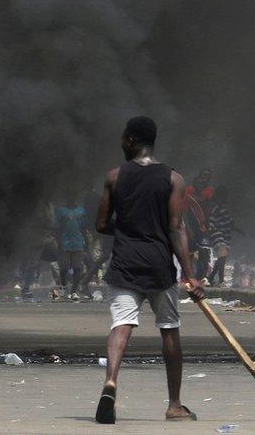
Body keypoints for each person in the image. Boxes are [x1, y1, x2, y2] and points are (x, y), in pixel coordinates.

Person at [93, 116, 204, 424]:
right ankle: (175, 405)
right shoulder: (173, 179)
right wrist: (190, 274)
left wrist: (128, 227)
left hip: (125, 263)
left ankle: (111, 381)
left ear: (130, 141)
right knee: (169, 330)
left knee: (121, 326)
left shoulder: (115, 177)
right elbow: (176, 228)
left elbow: (101, 224)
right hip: (159, 265)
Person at [53, 198, 91, 300]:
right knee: (64, 268)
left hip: (78, 243)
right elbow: (56, 227)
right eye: (69, 196)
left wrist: (86, 243)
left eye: (73, 196)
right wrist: (59, 242)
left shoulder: (81, 211)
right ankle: (64, 286)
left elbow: (84, 227)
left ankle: (73, 292)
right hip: (65, 243)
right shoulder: (61, 211)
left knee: (77, 268)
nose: (71, 198)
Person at [207, 186, 243, 287]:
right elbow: (212, 223)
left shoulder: (222, 208)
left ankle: (211, 277)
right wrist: (213, 233)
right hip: (218, 235)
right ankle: (221, 280)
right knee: (222, 257)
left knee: (222, 258)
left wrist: (239, 230)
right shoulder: (217, 208)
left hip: (224, 236)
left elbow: (229, 223)